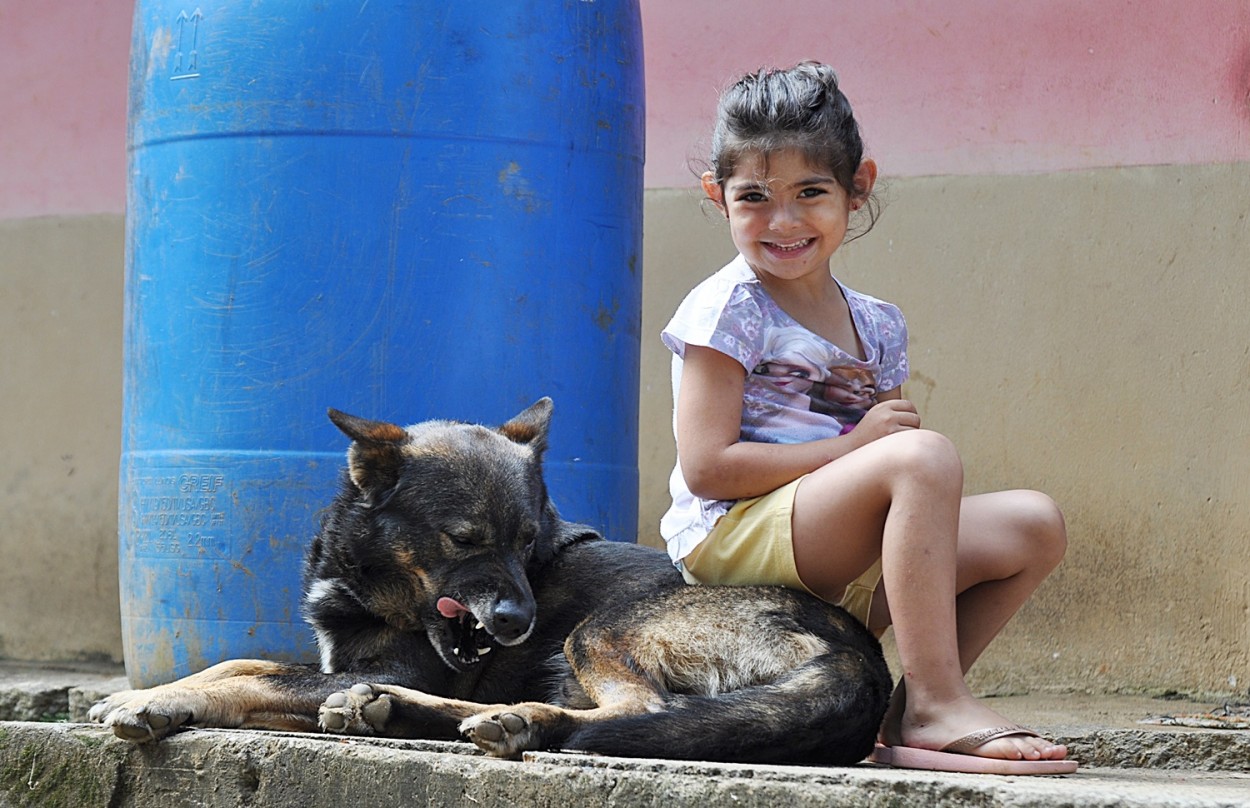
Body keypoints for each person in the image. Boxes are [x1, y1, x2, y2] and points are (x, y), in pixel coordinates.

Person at [660, 61, 1075, 775]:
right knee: (923, 455)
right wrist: (852, 448)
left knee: (1035, 522)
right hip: (736, 537)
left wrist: (868, 453)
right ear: (716, 196)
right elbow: (707, 469)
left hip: (828, 544)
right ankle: (941, 705)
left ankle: (903, 715)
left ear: (859, 188)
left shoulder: (878, 325)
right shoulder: (729, 309)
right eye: (753, 197)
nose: (783, 221)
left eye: (811, 193)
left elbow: (891, 471)